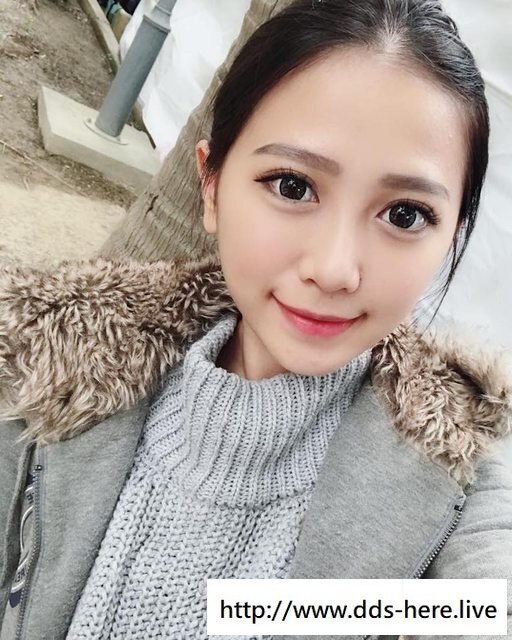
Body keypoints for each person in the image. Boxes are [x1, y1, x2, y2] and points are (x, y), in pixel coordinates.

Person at [0, 0, 511, 639]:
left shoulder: (460, 479)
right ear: (211, 186)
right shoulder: (47, 371)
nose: (334, 269)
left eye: (404, 215)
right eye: (292, 186)